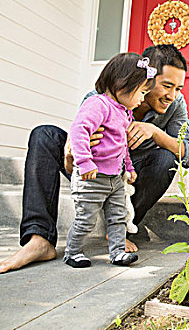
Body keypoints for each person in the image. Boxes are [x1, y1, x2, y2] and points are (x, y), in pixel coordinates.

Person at [0, 45, 189, 274]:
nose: (172, 95)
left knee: (167, 157)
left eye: (178, 88)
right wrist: (71, 157)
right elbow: (73, 157)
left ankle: (119, 228)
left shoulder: (175, 104)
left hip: (129, 176)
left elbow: (187, 153)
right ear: (145, 77)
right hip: (94, 171)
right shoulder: (99, 99)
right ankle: (39, 239)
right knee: (43, 134)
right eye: (167, 86)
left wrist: (155, 132)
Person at [64, 53, 156, 268]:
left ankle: (117, 253)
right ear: (122, 85)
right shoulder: (98, 105)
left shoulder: (124, 112)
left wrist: (129, 168)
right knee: (86, 219)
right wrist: (85, 162)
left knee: (117, 218)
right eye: (141, 92)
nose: (143, 99)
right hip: (92, 177)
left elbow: (122, 144)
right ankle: (73, 252)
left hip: (115, 178)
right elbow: (79, 131)